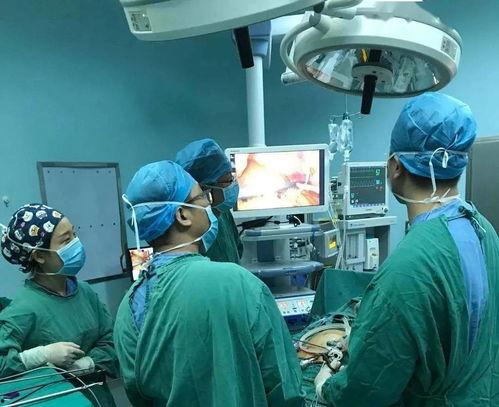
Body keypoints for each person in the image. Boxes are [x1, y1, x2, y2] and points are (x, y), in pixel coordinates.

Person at [315, 93, 499, 406]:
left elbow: (365, 390)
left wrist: (326, 386)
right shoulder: (484, 229)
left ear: (395, 166)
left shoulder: (406, 269)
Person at [115, 160, 303, 407]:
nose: (208, 204)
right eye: (202, 197)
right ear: (182, 215)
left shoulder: (128, 307)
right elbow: (283, 386)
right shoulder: (238, 284)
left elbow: (137, 392)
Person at [0, 204, 118, 406]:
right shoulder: (22, 309)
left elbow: (111, 340)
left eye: (74, 234)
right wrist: (40, 356)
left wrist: (88, 363)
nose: (76, 244)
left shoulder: (85, 292)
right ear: (39, 255)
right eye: (66, 240)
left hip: (100, 397)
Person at [175, 138, 243, 263]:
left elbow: (237, 250)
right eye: (228, 181)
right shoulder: (187, 227)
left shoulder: (222, 211)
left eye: (232, 178)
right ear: (205, 188)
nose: (232, 184)